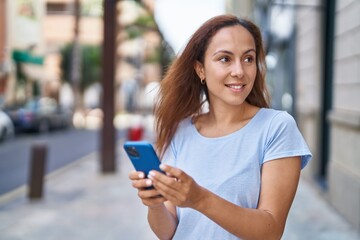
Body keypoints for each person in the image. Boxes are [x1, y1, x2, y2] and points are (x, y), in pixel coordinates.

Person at [129, 14, 312, 240]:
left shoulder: (276, 128)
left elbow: (271, 230)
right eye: (225, 59)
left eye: (248, 59)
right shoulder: (180, 131)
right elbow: (168, 232)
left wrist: (199, 199)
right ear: (200, 69)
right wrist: (155, 204)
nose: (239, 71)